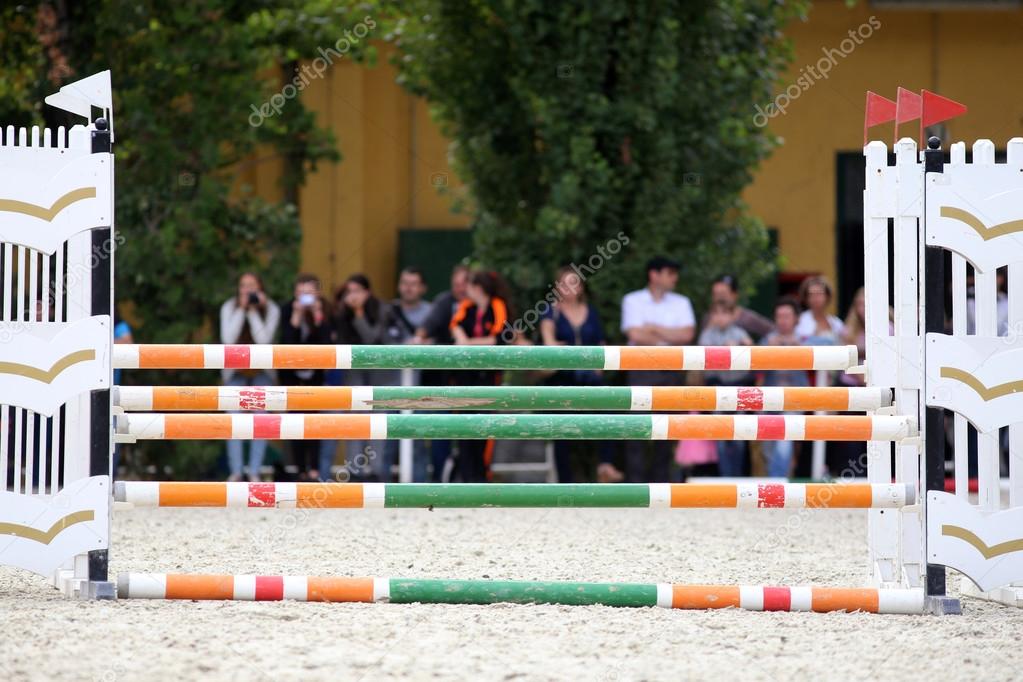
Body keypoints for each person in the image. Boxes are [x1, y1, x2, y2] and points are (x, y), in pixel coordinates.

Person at [620, 256, 695, 482]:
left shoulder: (681, 301)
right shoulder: (632, 300)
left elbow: (688, 335)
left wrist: (653, 329)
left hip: (671, 370)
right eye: (670, 273)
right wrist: (670, 335)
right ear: (654, 275)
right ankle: (635, 487)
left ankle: (661, 487)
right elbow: (634, 334)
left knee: (667, 431)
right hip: (641, 368)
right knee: (636, 430)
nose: (675, 278)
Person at [539, 266, 617, 483]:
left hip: (589, 378)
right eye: (564, 283)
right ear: (556, 287)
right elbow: (549, 344)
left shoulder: (591, 311)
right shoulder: (550, 311)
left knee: (611, 405)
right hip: (561, 379)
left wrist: (597, 367)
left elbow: (601, 346)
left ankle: (605, 464)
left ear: (581, 287)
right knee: (561, 429)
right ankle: (565, 483)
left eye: (573, 283)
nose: (569, 288)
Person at [334, 274, 398, 482]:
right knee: (355, 425)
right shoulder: (341, 313)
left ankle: (377, 472)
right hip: (354, 377)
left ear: (367, 292)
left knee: (378, 427)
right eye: (349, 292)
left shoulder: (381, 309)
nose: (352, 296)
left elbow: (371, 338)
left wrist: (359, 313)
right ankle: (354, 473)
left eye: (357, 291)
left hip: (381, 378)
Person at [449, 270, 511, 482]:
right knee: (465, 429)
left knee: (485, 427)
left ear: (478, 288)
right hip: (466, 376)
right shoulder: (467, 306)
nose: (466, 290)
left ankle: (483, 478)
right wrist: (462, 338)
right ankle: (466, 480)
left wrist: (468, 344)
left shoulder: (497, 305)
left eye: (469, 285)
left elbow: (498, 338)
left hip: (488, 376)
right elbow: (455, 325)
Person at [220, 272, 280, 482]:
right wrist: (241, 310)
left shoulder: (271, 308)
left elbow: (263, 341)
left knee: (261, 419)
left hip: (261, 372)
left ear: (260, 288)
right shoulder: (229, 307)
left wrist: (254, 312)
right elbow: (228, 338)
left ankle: (254, 471)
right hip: (235, 372)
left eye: (252, 286)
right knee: (233, 419)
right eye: (243, 286)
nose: (247, 290)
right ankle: (236, 471)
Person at [413, 264, 469, 482]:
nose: (460, 289)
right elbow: (426, 327)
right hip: (444, 381)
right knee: (440, 432)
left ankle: (472, 481)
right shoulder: (445, 302)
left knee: (474, 434)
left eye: (464, 284)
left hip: (474, 380)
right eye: (455, 285)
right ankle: (438, 480)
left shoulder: (482, 304)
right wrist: (420, 339)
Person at [279, 273, 332, 481]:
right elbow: (285, 345)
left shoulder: (324, 310)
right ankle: (300, 470)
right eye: (301, 293)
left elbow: (327, 346)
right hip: (292, 377)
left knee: (314, 423)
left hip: (315, 377)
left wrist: (318, 316)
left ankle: (315, 470)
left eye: (309, 293)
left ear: (318, 294)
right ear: (295, 294)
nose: (305, 298)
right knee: (294, 423)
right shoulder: (286, 309)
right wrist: (296, 318)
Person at [388, 267, 435, 482]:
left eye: (413, 283)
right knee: (384, 442)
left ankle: (420, 491)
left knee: (418, 442)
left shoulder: (433, 312)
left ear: (423, 288)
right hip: (389, 390)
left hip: (424, 391)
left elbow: (444, 343)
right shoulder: (387, 311)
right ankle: (382, 491)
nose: (408, 288)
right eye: (404, 282)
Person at [698, 301, 753, 477]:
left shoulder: (740, 333)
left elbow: (752, 352)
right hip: (718, 389)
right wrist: (726, 349)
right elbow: (703, 357)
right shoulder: (707, 335)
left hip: (739, 387)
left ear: (732, 316)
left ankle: (738, 476)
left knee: (740, 436)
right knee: (720, 436)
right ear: (711, 316)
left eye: (725, 313)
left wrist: (742, 347)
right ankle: (725, 477)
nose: (720, 317)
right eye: (716, 313)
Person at [758, 298, 808, 478]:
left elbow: (828, 345)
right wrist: (767, 351)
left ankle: (777, 485)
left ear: (796, 319)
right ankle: (778, 483)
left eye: (787, 316)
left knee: (784, 442)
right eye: (779, 316)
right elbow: (753, 367)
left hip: (794, 400)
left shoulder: (805, 340)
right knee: (768, 448)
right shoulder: (767, 340)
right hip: (769, 400)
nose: (782, 320)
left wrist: (800, 349)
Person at [705, 274, 773, 341]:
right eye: (715, 294)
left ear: (734, 295)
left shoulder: (748, 318)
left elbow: (773, 330)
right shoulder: (708, 317)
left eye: (723, 294)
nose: (719, 298)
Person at [795, 275, 845, 343]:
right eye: (811, 294)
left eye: (819, 293)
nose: (815, 298)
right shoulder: (798, 321)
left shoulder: (837, 323)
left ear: (827, 296)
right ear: (806, 298)